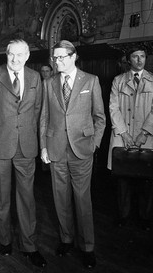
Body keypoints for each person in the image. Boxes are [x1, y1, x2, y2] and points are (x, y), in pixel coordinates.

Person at [40, 40, 106, 269]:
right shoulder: (48, 83)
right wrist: (43, 147)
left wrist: (95, 144)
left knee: (82, 199)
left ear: (73, 56)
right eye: (54, 57)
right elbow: (44, 118)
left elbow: (100, 117)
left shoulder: (90, 80)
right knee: (60, 199)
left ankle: (87, 247)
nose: (56, 61)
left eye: (61, 57)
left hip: (82, 150)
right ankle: (66, 239)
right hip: (56, 148)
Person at [0, 38, 47, 268]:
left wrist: (41, 146)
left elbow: (39, 112)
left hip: (26, 147)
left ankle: (29, 245)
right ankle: (4, 240)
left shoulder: (35, 77)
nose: (15, 59)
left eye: (20, 55)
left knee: (27, 199)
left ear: (28, 56)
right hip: (0, 146)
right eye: (11, 54)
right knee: (1, 199)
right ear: (6, 54)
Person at [107, 46, 153, 231]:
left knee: (146, 180)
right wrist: (123, 133)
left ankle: (145, 217)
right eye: (135, 56)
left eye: (142, 56)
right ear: (128, 59)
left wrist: (145, 132)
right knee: (123, 180)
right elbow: (113, 108)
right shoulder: (118, 81)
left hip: (146, 137)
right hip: (123, 136)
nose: (139, 60)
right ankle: (123, 215)